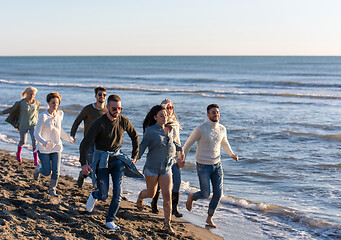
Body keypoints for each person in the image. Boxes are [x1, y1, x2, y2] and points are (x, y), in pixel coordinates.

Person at [80, 94, 139, 230]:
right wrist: (84, 163)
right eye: (114, 109)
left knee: (118, 193)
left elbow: (134, 136)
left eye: (119, 108)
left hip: (117, 160)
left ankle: (109, 221)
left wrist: (134, 156)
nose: (117, 111)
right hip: (102, 161)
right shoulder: (99, 123)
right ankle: (95, 195)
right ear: (107, 107)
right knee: (103, 195)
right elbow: (85, 143)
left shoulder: (124, 121)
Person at [183, 104, 239, 228]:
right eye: (213, 112)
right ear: (208, 114)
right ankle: (192, 196)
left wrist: (232, 154)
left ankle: (209, 218)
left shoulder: (222, 129)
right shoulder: (200, 128)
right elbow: (188, 144)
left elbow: (224, 143)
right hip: (203, 165)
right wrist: (182, 158)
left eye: (217, 112)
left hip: (217, 165)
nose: (216, 114)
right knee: (205, 194)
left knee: (218, 194)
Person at [136, 105, 184, 235]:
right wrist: (136, 158)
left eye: (166, 115)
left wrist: (180, 157)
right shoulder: (150, 131)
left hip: (166, 168)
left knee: (167, 197)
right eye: (161, 116)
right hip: (152, 167)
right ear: (155, 117)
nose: (164, 118)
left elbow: (176, 144)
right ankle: (140, 196)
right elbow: (142, 147)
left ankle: (167, 225)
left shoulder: (172, 129)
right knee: (151, 193)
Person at [33, 92, 75, 196]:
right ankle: (38, 169)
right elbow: (36, 133)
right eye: (53, 103)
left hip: (56, 147)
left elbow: (59, 130)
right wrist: (43, 141)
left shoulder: (60, 114)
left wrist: (69, 139)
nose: (55, 105)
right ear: (48, 102)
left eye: (57, 103)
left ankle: (52, 189)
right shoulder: (43, 116)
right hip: (44, 149)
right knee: (47, 171)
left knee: (56, 171)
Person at [151, 99, 184, 218]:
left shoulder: (175, 122)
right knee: (160, 184)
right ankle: (154, 204)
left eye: (171, 107)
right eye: (166, 107)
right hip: (163, 158)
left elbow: (178, 141)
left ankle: (174, 208)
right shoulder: (160, 123)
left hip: (175, 157)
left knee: (178, 181)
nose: (169, 110)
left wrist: (181, 156)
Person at [70, 86, 107, 188]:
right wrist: (72, 135)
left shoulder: (108, 110)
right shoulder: (88, 109)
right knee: (91, 168)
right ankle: (95, 185)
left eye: (104, 95)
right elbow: (77, 121)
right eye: (100, 94)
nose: (102, 96)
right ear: (95, 96)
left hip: (102, 145)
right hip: (89, 144)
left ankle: (84, 175)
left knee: (101, 167)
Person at [0, 87, 40, 165]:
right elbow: (11, 109)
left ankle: (36, 160)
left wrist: (39, 124)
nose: (32, 96)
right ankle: (18, 153)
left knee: (34, 143)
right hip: (23, 124)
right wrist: (1, 112)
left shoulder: (37, 103)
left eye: (33, 94)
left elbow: (36, 114)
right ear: (26, 94)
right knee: (23, 141)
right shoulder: (21, 103)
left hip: (33, 125)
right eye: (30, 94)